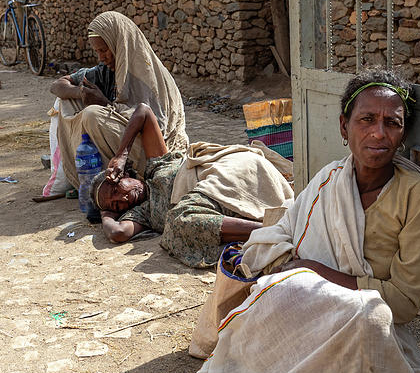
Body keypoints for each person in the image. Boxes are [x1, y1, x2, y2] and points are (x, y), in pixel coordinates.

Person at [187, 67, 420, 373]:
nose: (379, 133)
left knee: (370, 316)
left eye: (392, 123)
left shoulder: (418, 193)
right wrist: (292, 269)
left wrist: (315, 270)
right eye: (367, 120)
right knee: (270, 290)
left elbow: (406, 302)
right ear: (345, 127)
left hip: (359, 312)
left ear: (404, 133)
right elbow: (279, 236)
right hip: (304, 302)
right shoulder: (329, 180)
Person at [90, 104, 294, 268]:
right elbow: (118, 233)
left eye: (117, 190)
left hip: (231, 168)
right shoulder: (143, 214)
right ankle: (274, 231)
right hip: (221, 197)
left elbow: (143, 111)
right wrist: (106, 213)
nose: (123, 199)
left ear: (123, 174)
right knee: (179, 220)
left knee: (179, 220)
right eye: (117, 205)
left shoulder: (158, 164)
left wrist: (120, 155)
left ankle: (276, 232)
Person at [36, 11, 189, 201]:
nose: (101, 57)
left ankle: (123, 179)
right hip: (124, 149)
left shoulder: (149, 76)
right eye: (97, 51)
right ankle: (88, 179)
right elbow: (57, 85)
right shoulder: (106, 70)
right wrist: (81, 93)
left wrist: (105, 105)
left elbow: (155, 127)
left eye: (105, 50)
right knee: (65, 101)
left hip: (155, 154)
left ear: (120, 44)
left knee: (92, 114)